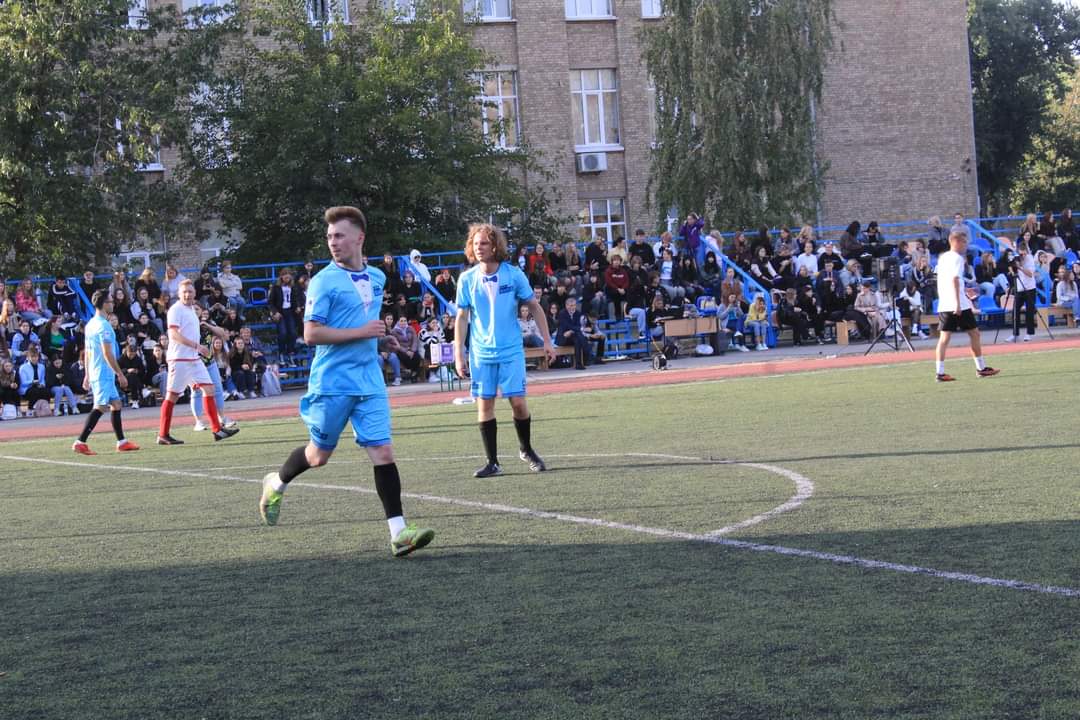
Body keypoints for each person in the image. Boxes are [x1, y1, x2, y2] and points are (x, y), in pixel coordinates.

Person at [257, 206, 435, 557]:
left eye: (339, 235)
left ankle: (399, 533)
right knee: (318, 456)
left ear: (359, 238)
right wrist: (362, 332)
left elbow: (363, 327)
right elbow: (311, 334)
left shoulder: (377, 277)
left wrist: (381, 341)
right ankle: (275, 483)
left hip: (369, 379)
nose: (333, 242)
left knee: (383, 451)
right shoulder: (323, 281)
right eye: (329, 236)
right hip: (333, 381)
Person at [454, 222, 554, 478]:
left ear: (495, 246)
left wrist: (547, 341)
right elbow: (462, 318)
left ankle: (526, 449)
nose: (479, 248)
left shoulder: (513, 274)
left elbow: (534, 306)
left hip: (510, 350)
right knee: (484, 405)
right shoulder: (467, 279)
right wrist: (458, 354)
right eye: (475, 243)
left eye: (484, 243)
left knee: (518, 403)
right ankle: (492, 462)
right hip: (481, 353)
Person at [156, 279, 239, 444]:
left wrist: (200, 345)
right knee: (172, 396)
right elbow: (173, 335)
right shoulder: (175, 310)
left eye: (190, 292)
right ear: (179, 294)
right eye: (184, 292)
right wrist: (197, 346)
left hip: (193, 358)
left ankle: (217, 430)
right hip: (179, 359)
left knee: (209, 389)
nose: (187, 294)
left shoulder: (191, 310)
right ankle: (163, 434)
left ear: (195, 293)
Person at [72, 290, 139, 454]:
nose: (113, 304)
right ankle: (80, 441)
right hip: (103, 372)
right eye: (110, 301)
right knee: (101, 406)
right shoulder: (104, 326)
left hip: (98, 371)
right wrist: (120, 374)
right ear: (104, 304)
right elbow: (107, 353)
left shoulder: (90, 324)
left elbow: (88, 352)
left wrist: (87, 374)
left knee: (116, 404)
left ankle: (122, 442)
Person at [934, 231, 999, 382]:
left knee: (944, 338)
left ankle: (940, 372)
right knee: (974, 334)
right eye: (964, 242)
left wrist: (963, 290)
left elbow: (946, 280)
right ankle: (980, 368)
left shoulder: (943, 258)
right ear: (956, 241)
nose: (966, 245)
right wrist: (957, 302)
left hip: (945, 303)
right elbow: (955, 279)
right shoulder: (957, 258)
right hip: (958, 305)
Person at [1006, 239, 1037, 343]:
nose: (1022, 255)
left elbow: (1030, 274)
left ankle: (1029, 333)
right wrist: (1012, 267)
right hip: (1019, 288)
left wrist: (1020, 267)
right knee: (1015, 311)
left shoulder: (1030, 259)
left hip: (1030, 288)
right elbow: (1011, 270)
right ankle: (1015, 334)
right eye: (1020, 253)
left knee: (1029, 311)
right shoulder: (1016, 258)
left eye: (1024, 252)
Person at [268, 267, 300, 363]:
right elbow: (271, 302)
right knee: (283, 333)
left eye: (288, 276)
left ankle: (290, 352)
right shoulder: (276, 287)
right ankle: (281, 352)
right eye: (285, 276)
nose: (287, 278)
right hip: (280, 312)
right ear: (281, 277)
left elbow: (295, 299)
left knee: (293, 333)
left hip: (290, 312)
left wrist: (297, 307)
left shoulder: (293, 287)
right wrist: (275, 312)